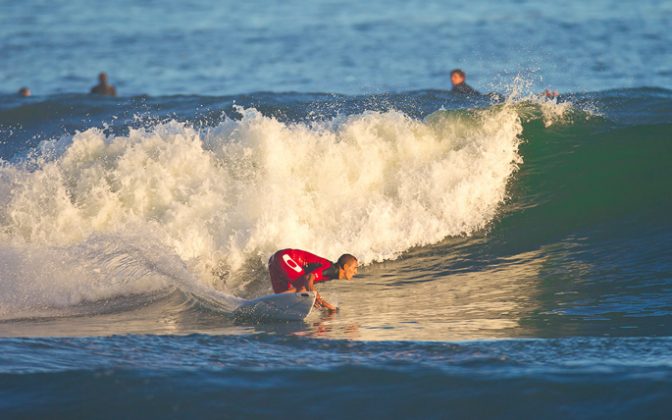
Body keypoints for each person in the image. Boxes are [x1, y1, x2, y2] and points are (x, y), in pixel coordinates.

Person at [268, 248, 359, 311]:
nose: (356, 272)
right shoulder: (330, 269)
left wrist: (324, 304)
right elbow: (308, 278)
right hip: (286, 257)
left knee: (282, 298)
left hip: (274, 260)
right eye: (355, 268)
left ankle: (267, 306)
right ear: (346, 267)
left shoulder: (330, 273)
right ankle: (269, 304)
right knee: (304, 287)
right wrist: (320, 300)